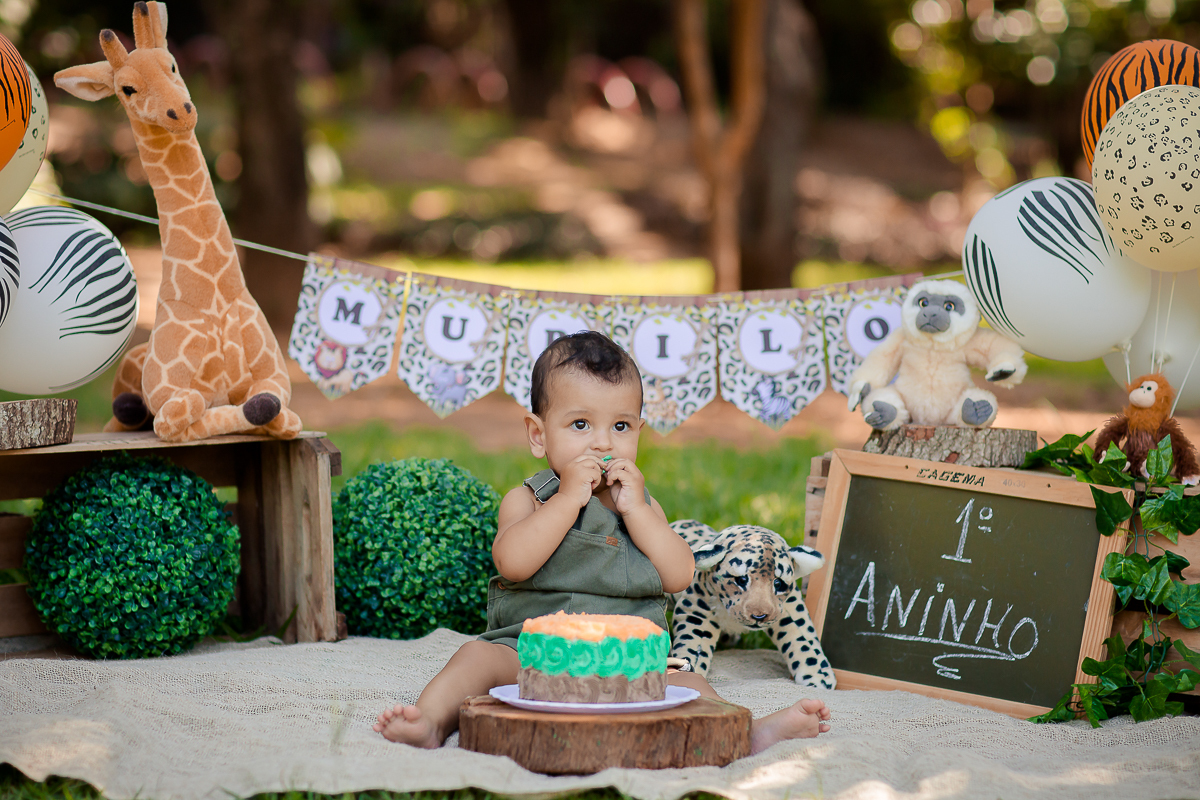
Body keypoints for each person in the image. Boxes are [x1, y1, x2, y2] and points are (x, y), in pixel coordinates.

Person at [375, 331, 831, 751]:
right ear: (538, 435)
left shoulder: (642, 506)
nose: (602, 443)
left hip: (628, 663)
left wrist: (639, 514)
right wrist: (567, 500)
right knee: (474, 657)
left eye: (620, 427)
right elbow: (512, 562)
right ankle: (430, 722)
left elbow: (679, 575)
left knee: (689, 684)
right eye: (580, 425)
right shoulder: (528, 499)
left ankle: (747, 732)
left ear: (639, 432)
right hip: (528, 653)